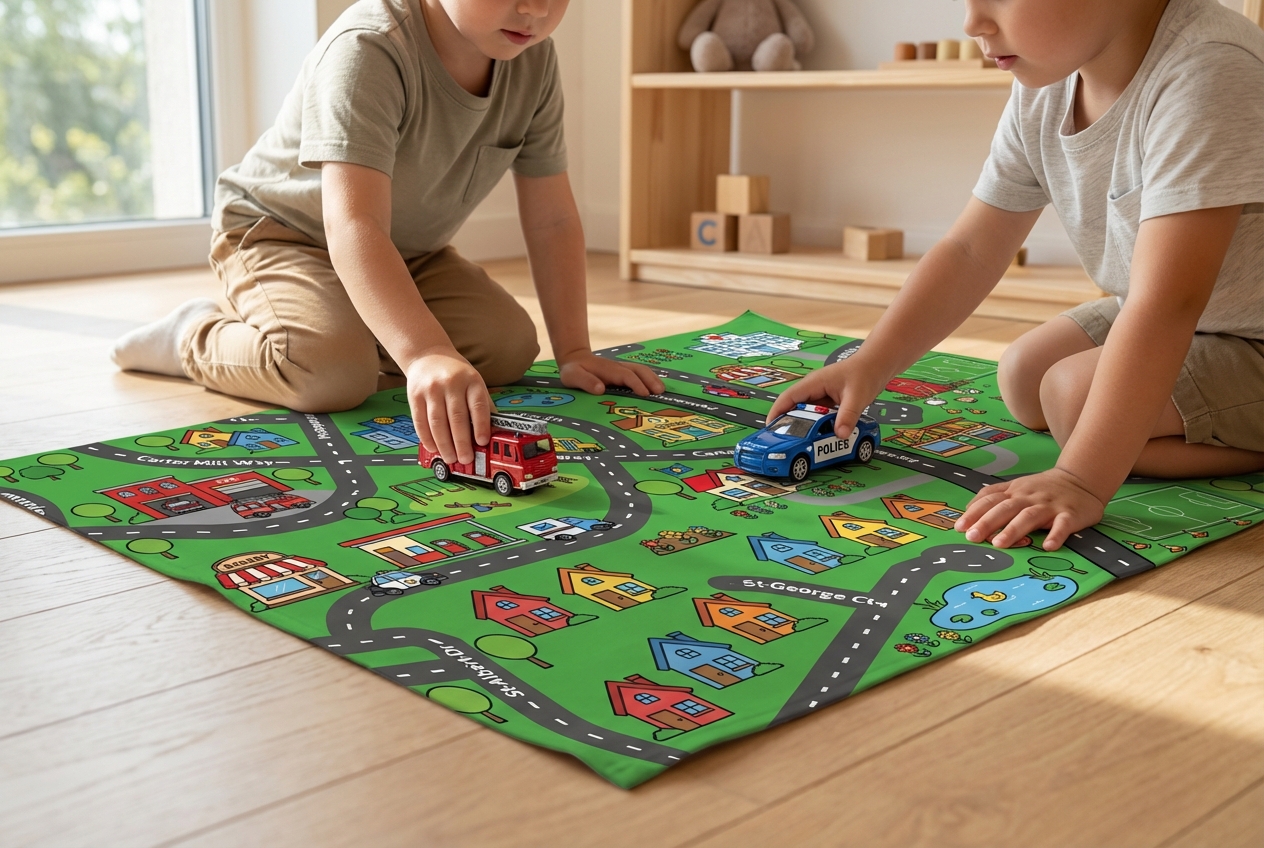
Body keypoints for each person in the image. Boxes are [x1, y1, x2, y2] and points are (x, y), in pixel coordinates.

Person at [768, 0, 1264, 551]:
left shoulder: (1208, 69)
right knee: (1025, 373)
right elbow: (970, 249)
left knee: (1072, 400)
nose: (972, 23)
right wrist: (870, 362)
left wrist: (1080, 478)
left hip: (1239, 328)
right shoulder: (1049, 82)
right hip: (1192, 307)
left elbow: (1168, 303)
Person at [111, 0, 663, 466]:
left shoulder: (533, 59)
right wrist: (423, 351)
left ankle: (359, 328)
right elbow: (353, 223)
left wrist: (574, 349)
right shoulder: (368, 48)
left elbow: (552, 218)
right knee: (331, 376)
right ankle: (191, 335)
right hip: (283, 233)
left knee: (507, 346)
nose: (535, 9)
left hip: (407, 250)